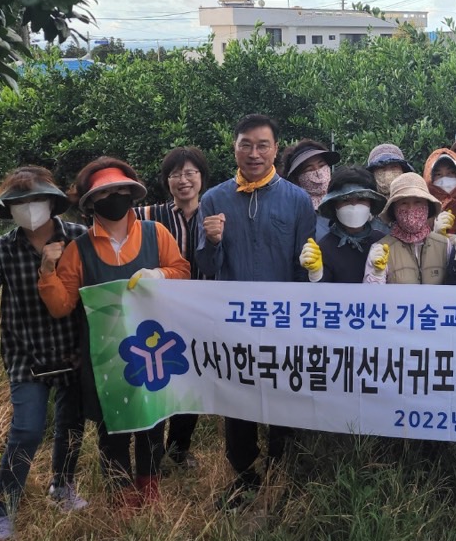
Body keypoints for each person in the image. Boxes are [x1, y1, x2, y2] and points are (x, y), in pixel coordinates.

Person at [38, 158, 189, 507]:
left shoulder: (156, 234)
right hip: (105, 356)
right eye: (107, 193)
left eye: (123, 191)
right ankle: (121, 495)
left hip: (153, 349)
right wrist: (47, 271)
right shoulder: (79, 250)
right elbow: (61, 305)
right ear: (91, 202)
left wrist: (160, 276)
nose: (116, 198)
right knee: (112, 428)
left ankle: (149, 486)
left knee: (153, 422)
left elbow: (182, 270)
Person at [0, 166, 89, 541]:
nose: (28, 209)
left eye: (35, 200)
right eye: (19, 202)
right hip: (25, 356)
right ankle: (3, 508)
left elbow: (97, 295)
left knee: (71, 428)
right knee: (27, 430)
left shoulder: (78, 238)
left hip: (74, 353)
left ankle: (62, 487)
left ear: (51, 202)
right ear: (9, 208)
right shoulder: (3, 248)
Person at [195, 114, 317, 507]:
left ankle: (281, 471)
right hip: (235, 323)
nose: (254, 153)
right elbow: (208, 267)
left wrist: (302, 319)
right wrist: (211, 242)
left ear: (276, 150)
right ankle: (244, 473)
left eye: (263, 145)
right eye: (245, 144)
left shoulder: (297, 200)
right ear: (234, 147)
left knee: (284, 393)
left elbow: (304, 265)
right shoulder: (214, 199)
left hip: (284, 321)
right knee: (239, 397)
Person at [137, 145, 211, 471]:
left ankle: (179, 449)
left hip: (201, 316)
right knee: (159, 381)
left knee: (193, 382)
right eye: (175, 174)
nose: (183, 180)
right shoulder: (147, 216)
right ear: (167, 181)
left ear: (202, 178)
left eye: (190, 173)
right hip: (158, 316)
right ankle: (152, 454)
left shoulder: (217, 214)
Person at [300, 166, 388, 284]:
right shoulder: (324, 249)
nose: (354, 206)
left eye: (361, 199)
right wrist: (315, 275)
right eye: (345, 200)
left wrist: (378, 274)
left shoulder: (383, 243)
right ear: (334, 205)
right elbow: (319, 297)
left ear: (371, 203)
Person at [364, 173, 450, 285]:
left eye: (418, 202)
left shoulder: (444, 244)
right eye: (404, 203)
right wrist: (377, 274)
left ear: (428, 206)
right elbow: (371, 298)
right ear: (394, 210)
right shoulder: (381, 249)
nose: (411, 208)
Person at [280, 138, 339, 240]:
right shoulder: (294, 214)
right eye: (309, 169)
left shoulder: (343, 200)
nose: (318, 173)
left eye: (322, 165)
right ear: (297, 179)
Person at [422, 146, 456, 233]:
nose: (445, 179)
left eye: (451, 173)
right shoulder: (423, 212)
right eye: (438, 174)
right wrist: (435, 235)